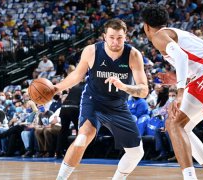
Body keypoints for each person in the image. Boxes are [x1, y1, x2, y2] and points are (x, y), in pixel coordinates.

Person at [141, 5, 203, 180]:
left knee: (173, 123)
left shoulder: (158, 35)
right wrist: (176, 78)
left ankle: (190, 177)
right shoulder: (173, 33)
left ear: (146, 26)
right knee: (182, 127)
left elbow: (182, 57)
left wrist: (179, 92)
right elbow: (191, 61)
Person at [54, 19, 148, 180]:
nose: (115, 41)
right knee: (83, 137)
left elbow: (144, 90)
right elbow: (77, 76)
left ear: (126, 36)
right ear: (104, 36)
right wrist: (56, 88)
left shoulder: (133, 55)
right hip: (93, 101)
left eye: (119, 37)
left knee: (136, 152)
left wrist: (124, 86)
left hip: (118, 105)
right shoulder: (91, 51)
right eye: (111, 37)